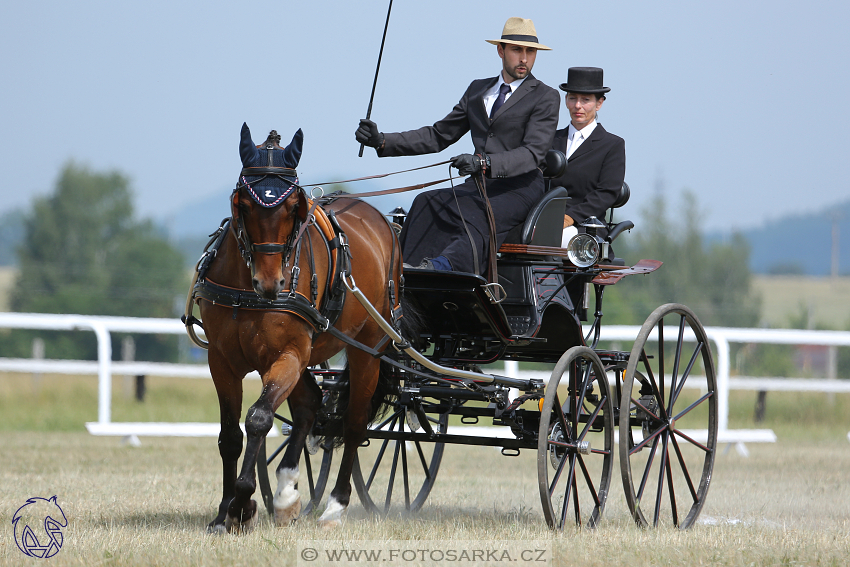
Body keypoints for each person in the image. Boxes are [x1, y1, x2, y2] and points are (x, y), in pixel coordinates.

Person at [355, 17, 560, 275]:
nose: (524, 58)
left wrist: (484, 163)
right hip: (479, 185)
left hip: (520, 187)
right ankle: (400, 272)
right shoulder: (477, 90)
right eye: (517, 50)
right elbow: (439, 135)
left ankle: (443, 268)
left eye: (530, 52)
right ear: (501, 50)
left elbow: (533, 153)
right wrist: (383, 140)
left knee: (476, 215)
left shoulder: (545, 96)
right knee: (425, 202)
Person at [547, 67, 625, 245]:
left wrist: (570, 217)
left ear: (599, 103)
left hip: (585, 225)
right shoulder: (549, 140)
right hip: (541, 220)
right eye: (572, 98)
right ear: (566, 100)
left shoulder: (612, 145)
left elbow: (606, 193)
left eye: (585, 100)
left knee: (554, 239)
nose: (577, 106)